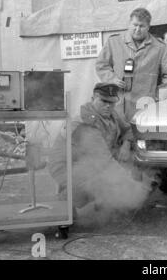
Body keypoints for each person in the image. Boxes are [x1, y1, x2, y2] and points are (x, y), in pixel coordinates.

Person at [48, 83, 136, 215]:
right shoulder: (84, 122)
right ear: (93, 98)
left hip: (92, 160)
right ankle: (63, 204)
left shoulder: (111, 114)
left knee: (130, 159)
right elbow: (104, 160)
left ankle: (105, 201)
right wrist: (130, 184)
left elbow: (128, 129)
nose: (108, 106)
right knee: (93, 183)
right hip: (68, 165)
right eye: (103, 101)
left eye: (111, 102)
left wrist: (126, 145)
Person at [95, 8, 167, 120]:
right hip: (117, 107)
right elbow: (101, 65)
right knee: (117, 135)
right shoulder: (114, 42)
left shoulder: (159, 48)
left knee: (143, 136)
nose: (137, 29)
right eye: (135, 25)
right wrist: (111, 79)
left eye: (142, 26)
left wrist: (158, 97)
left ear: (148, 27)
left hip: (146, 108)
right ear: (129, 23)